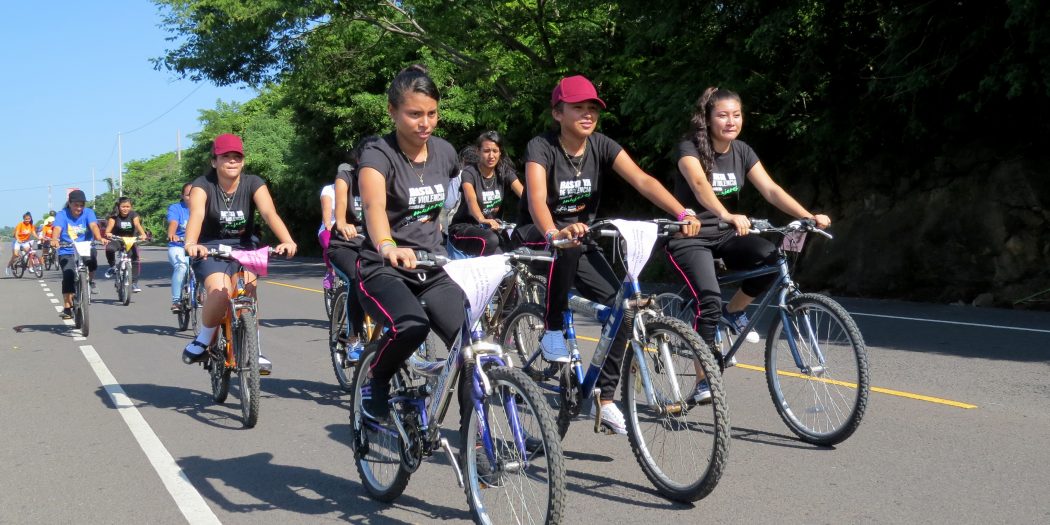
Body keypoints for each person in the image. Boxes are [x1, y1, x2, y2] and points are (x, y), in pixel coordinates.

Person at [511, 75, 701, 434]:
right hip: (539, 235)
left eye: (593, 108)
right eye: (578, 107)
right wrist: (553, 232)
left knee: (622, 312)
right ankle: (552, 329)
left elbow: (642, 180)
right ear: (557, 113)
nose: (588, 114)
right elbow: (536, 198)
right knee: (565, 248)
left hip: (582, 239)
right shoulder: (542, 147)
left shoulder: (601, 145)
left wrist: (682, 213)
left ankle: (606, 397)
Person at [663, 87, 830, 404]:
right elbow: (699, 185)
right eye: (723, 115)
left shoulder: (742, 151)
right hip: (690, 236)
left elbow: (770, 189)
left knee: (771, 259)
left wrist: (807, 216)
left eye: (736, 115)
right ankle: (703, 381)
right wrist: (726, 214)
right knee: (708, 301)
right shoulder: (690, 148)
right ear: (708, 119)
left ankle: (735, 310)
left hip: (725, 235)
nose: (731, 121)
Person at [355, 65, 466, 421]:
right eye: (415, 114)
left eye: (432, 113)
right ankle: (376, 377)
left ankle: (478, 439)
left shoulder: (445, 152)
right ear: (392, 111)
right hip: (383, 268)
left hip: (432, 266)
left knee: (469, 345)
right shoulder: (377, 155)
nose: (425, 123)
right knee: (412, 327)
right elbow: (374, 207)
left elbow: (451, 196)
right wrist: (387, 246)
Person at [180, 133, 297, 374]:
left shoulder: (254, 182)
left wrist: (287, 240)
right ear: (214, 161)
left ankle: (256, 351)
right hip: (211, 248)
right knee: (221, 293)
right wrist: (191, 242)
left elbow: (269, 213)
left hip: (245, 247)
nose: (232, 161)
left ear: (243, 161)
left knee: (248, 297)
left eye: (237, 157)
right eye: (225, 157)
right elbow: (197, 215)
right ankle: (204, 339)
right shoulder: (203, 185)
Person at [327, 136, 380, 364]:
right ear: (358, 159)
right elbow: (340, 206)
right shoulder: (345, 177)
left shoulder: (385, 178)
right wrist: (342, 223)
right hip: (344, 244)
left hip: (374, 244)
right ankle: (353, 338)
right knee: (357, 277)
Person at [447, 130, 524, 256]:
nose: (491, 155)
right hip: (464, 228)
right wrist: (482, 219)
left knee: (512, 249)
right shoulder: (469, 173)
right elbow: (471, 199)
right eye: (486, 151)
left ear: (500, 152)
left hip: (491, 229)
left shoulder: (504, 172)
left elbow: (524, 195)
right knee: (490, 240)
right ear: (478, 151)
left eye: (495, 151)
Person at [49, 191, 107, 317]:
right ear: (69, 204)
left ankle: (89, 282)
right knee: (68, 275)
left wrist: (99, 237)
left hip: (85, 247)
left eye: (81, 205)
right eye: (76, 205)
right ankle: (67, 308)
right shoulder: (62, 214)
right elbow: (57, 228)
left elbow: (94, 226)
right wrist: (54, 239)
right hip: (67, 249)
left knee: (92, 260)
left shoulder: (89, 212)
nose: (79, 208)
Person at [103, 197, 149, 292]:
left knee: (135, 258)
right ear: (118, 207)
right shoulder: (114, 216)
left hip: (130, 240)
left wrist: (143, 234)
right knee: (109, 249)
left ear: (131, 207)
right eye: (123, 206)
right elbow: (108, 230)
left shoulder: (133, 215)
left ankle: (134, 283)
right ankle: (112, 266)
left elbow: (137, 224)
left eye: (128, 206)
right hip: (117, 239)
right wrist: (108, 233)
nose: (125, 209)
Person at [166, 183, 193, 312]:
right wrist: (172, 234)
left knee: (208, 268)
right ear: (182, 196)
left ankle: (202, 295)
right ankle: (176, 301)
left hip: (197, 246)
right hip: (178, 245)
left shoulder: (205, 207)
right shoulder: (176, 208)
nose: (191, 197)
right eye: (188, 195)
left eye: (194, 194)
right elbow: (173, 223)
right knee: (181, 267)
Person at [7, 212, 39, 276]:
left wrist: (39, 238)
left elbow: (34, 233)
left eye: (29, 219)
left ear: (30, 219)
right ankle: (8, 267)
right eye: (26, 219)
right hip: (17, 241)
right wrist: (18, 239)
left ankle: (30, 267)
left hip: (25, 242)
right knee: (15, 255)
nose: (27, 220)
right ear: (23, 219)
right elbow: (16, 234)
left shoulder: (31, 225)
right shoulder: (20, 224)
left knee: (31, 253)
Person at [319, 181, 337, 290]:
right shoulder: (329, 190)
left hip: (351, 228)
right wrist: (328, 224)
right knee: (328, 243)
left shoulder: (357, 189)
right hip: (331, 227)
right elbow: (327, 210)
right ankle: (330, 272)